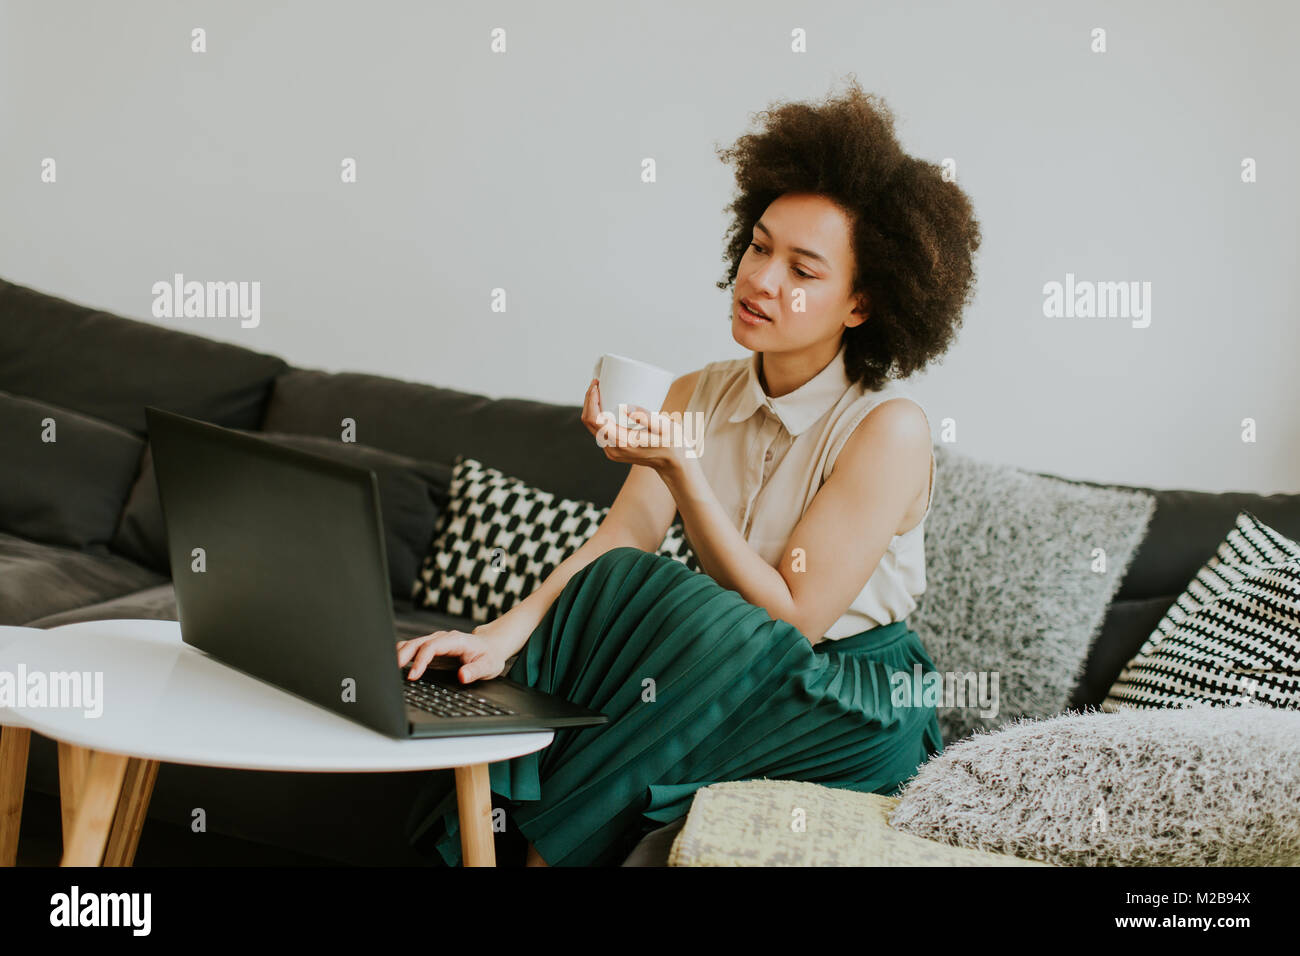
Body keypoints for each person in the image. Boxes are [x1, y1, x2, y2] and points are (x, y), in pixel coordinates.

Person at [396, 75, 981, 867]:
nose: (761, 279)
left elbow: (793, 622)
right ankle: (486, 832)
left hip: (847, 699)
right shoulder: (696, 393)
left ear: (860, 305)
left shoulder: (890, 429)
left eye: (803, 271)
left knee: (676, 605)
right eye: (759, 245)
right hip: (723, 661)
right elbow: (622, 538)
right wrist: (505, 632)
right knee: (633, 588)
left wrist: (684, 474)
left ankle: (530, 853)